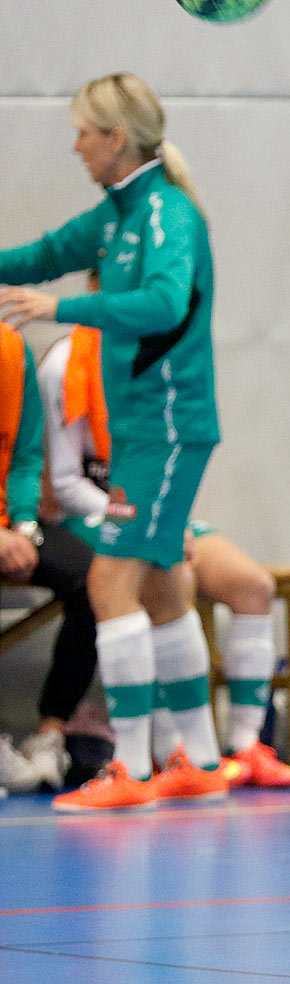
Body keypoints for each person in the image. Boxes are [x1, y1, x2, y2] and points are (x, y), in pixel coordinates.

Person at [0, 72, 228, 811]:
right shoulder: (114, 217)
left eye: (82, 133)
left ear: (116, 138)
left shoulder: (169, 216)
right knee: (164, 588)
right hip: (142, 434)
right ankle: (197, 758)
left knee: (108, 582)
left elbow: (163, 301)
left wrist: (61, 306)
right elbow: (35, 255)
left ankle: (128, 768)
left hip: (167, 429)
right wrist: (34, 280)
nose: (74, 146)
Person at [35, 299, 290, 788]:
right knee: (165, 574)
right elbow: (65, 482)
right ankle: (165, 753)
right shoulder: (65, 362)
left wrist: (165, 514)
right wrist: (147, 520)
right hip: (87, 512)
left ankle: (244, 746)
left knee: (252, 585)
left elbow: (175, 455)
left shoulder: (161, 353)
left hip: (154, 507)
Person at [0, 319, 96, 796]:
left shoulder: (12, 352)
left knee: (95, 579)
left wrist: (21, 525)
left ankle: (50, 734)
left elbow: (23, 457)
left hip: (10, 522)